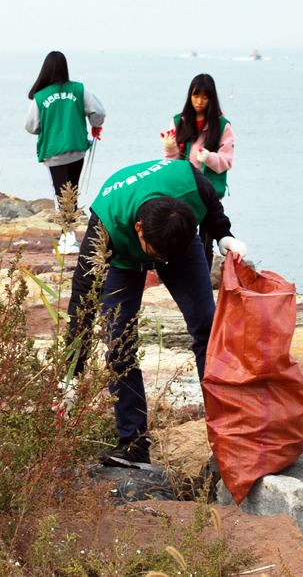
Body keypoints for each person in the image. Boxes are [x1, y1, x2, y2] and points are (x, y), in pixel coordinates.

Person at [64, 158, 247, 468]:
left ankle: (230, 431)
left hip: (175, 239)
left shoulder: (191, 183)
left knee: (208, 326)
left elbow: (212, 205)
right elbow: (83, 295)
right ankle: (133, 444)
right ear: (139, 230)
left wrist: (223, 235)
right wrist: (73, 371)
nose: (162, 265)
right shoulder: (107, 222)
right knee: (119, 344)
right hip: (123, 257)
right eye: (158, 257)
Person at [24, 51, 106, 254]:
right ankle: (69, 237)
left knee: (60, 194)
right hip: (77, 148)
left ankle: (68, 239)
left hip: (53, 151)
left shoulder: (40, 96)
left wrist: (47, 127)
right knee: (72, 192)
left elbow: (31, 126)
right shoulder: (79, 89)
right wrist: (94, 125)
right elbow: (99, 112)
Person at [161, 73, 235, 270]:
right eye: (195, 96)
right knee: (182, 236)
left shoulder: (222, 125)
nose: (199, 101)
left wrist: (209, 157)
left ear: (212, 98)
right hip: (184, 190)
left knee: (206, 241)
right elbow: (172, 162)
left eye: (204, 96)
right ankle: (183, 278)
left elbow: (226, 161)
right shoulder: (179, 121)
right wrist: (169, 148)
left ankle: (202, 281)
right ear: (190, 96)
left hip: (209, 193)